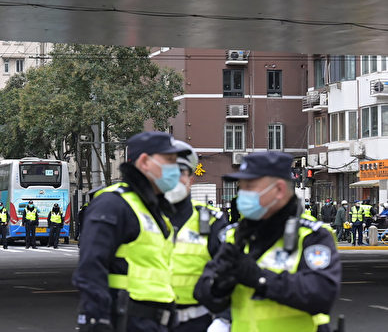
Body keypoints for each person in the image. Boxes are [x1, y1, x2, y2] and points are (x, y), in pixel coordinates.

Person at [193, 152, 340, 332]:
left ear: (278, 190)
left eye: (250, 187)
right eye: (241, 187)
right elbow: (202, 292)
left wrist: (261, 279)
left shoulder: (312, 236)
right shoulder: (234, 236)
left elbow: (321, 294)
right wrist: (219, 285)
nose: (242, 195)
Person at [72, 131, 191, 332]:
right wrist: (97, 321)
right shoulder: (113, 204)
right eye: (170, 160)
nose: (176, 169)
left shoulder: (152, 209)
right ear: (145, 162)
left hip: (155, 322)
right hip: (127, 321)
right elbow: (91, 267)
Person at [164, 140, 229, 332]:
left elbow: (230, 273)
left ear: (191, 179)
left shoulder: (212, 222)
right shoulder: (139, 216)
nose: (173, 179)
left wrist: (225, 319)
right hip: (145, 322)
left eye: (180, 173)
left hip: (197, 323)